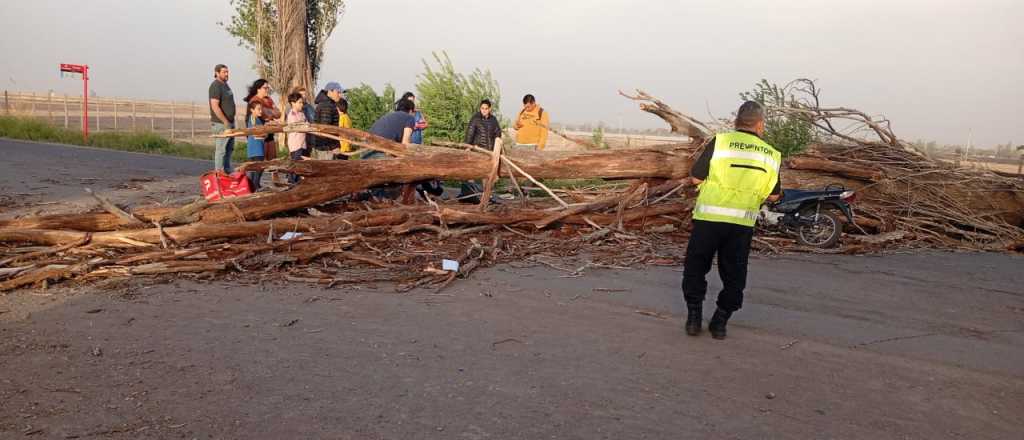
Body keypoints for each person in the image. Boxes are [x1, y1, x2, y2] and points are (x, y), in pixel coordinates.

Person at [682, 101, 782, 340]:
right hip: (741, 224)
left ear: (736, 121)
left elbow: (696, 178)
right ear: (760, 124)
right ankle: (720, 321)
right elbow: (774, 195)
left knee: (696, 267)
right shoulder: (771, 154)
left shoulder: (720, 142)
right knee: (735, 274)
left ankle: (694, 318)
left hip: (708, 218)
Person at [458, 99, 503, 203]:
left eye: (486, 108)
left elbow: (498, 133)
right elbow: (470, 133)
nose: (484, 110)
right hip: (478, 151)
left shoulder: (493, 120)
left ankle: (487, 197)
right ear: (480, 108)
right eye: (482, 108)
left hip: (489, 152)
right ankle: (469, 195)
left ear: (490, 109)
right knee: (473, 173)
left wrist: (497, 146)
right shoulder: (475, 119)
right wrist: (467, 147)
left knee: (487, 176)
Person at [244, 79, 281, 183]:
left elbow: (278, 113)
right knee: (258, 162)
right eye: (265, 88)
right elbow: (263, 116)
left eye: (268, 88)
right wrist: (270, 114)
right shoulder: (254, 101)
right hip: (258, 134)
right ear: (258, 89)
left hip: (269, 132)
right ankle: (253, 185)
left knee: (271, 160)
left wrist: (270, 114)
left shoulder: (269, 99)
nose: (267, 90)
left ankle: (262, 183)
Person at [208, 64, 236, 172]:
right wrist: (225, 122)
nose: (227, 74)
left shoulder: (225, 85)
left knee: (229, 149)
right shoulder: (216, 86)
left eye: (227, 72)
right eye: (224, 72)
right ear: (217, 73)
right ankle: (219, 173)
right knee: (221, 150)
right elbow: (215, 106)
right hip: (221, 124)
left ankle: (227, 172)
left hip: (229, 123)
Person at [312, 82, 346, 160]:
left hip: (325, 147)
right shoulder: (326, 106)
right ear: (330, 91)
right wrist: (333, 147)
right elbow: (325, 129)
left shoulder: (328, 104)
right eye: (338, 92)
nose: (340, 95)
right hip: (325, 148)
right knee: (325, 170)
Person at [285, 92, 309, 184]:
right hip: (295, 144)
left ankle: (297, 181)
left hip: (302, 143)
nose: (301, 104)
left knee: (300, 163)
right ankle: (291, 181)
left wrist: (306, 125)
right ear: (293, 103)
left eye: (302, 102)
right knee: (295, 163)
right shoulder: (292, 114)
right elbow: (297, 126)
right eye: (299, 102)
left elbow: (306, 124)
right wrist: (305, 126)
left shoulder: (302, 114)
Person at [244, 100, 266, 191]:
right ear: (252, 110)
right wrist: (264, 133)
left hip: (258, 149)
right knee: (257, 170)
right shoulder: (252, 118)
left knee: (256, 170)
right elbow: (255, 132)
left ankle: (253, 187)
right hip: (256, 150)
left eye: (261, 109)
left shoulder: (258, 119)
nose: (261, 111)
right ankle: (254, 188)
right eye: (258, 109)